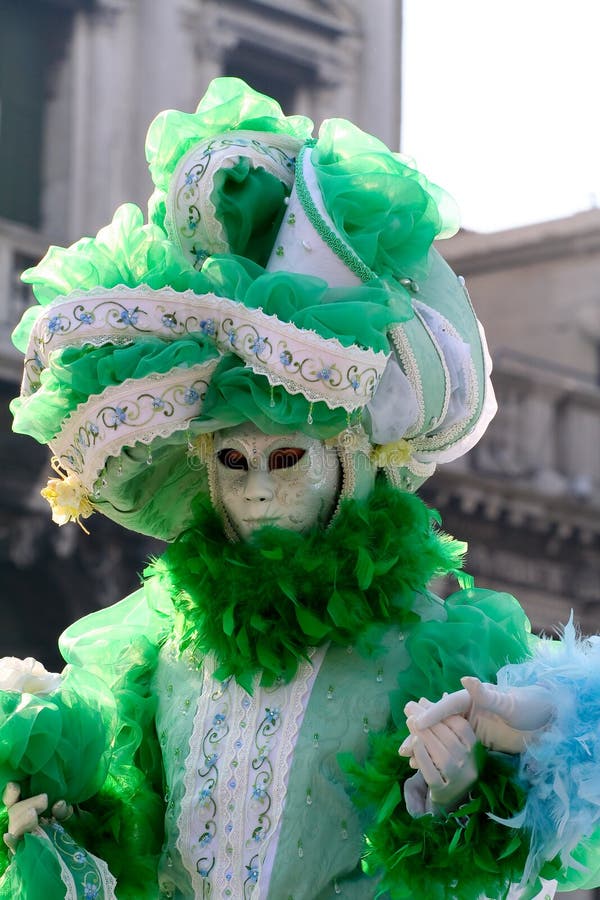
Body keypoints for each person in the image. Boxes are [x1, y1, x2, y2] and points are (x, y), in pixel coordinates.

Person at [1, 78, 599, 900]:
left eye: (286, 459)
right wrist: (57, 834)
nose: (255, 491)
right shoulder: (152, 651)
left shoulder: (433, 651)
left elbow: (503, 860)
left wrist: (454, 795)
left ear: (347, 464)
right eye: (232, 463)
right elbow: (130, 847)